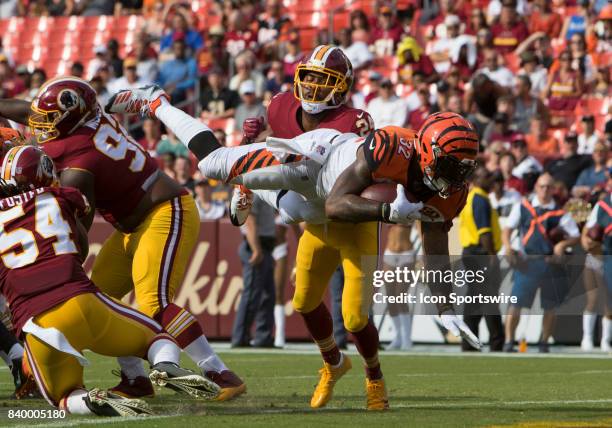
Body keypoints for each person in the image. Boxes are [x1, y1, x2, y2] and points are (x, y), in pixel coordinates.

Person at [110, 83, 482, 409]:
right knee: (213, 165)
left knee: (309, 244)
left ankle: (374, 378)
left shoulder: (451, 192)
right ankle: (156, 102)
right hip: (316, 165)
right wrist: (389, 211)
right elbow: (337, 202)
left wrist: (445, 304)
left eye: (462, 169)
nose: (456, 177)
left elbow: (434, 239)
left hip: (346, 216)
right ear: (427, 152)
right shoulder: (388, 146)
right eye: (451, 166)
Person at [0, 78, 245, 401]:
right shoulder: (83, 121)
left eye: (50, 121)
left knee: (154, 301)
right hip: (133, 223)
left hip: (165, 210)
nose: (42, 127)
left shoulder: (78, 160)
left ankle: (219, 372)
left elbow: (77, 235)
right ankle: (135, 379)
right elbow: (29, 110)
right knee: (101, 296)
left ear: (71, 119)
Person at [0, 145, 219, 415]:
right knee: (159, 339)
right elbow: (79, 249)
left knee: (64, 398)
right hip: (83, 299)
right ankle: (164, 367)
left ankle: (93, 400)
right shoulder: (60, 196)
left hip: (38, 324)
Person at [502, 172, 580, 353]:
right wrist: (507, 247)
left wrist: (562, 244)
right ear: (536, 187)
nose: (545, 190)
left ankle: (544, 342)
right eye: (542, 186)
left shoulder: (560, 213)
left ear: (553, 189)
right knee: (516, 303)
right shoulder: (523, 206)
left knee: (550, 306)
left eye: (548, 187)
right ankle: (509, 341)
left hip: (550, 262)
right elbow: (507, 229)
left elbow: (575, 236)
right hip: (527, 262)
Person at [458, 166, 505, 352]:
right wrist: (492, 255)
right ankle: (497, 343)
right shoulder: (480, 199)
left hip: (471, 253)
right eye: (487, 176)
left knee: (474, 300)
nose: (491, 179)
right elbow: (484, 231)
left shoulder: (472, 197)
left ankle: (469, 343)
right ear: (476, 180)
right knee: (489, 300)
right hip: (481, 254)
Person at [232, 194, 276, 348]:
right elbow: (250, 221)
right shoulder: (255, 191)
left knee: (267, 295)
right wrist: (256, 249)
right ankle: (240, 337)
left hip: (266, 247)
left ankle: (263, 337)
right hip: (256, 246)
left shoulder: (265, 190)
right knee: (252, 294)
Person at [581, 185, 612, 352]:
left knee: (609, 301)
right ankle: (587, 338)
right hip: (596, 257)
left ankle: (605, 340)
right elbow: (587, 231)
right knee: (592, 298)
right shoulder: (603, 205)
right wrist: (586, 242)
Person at [382, 224, 415, 350]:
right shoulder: (388, 205)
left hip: (406, 253)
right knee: (390, 298)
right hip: (390, 253)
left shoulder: (413, 205)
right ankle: (398, 336)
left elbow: (420, 229)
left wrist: (423, 257)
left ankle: (407, 339)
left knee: (400, 296)